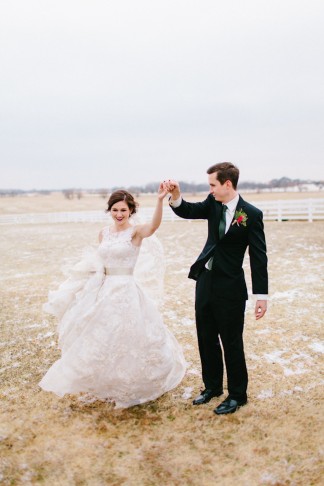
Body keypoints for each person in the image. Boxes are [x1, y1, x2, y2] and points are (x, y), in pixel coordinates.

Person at [39, 186, 186, 408]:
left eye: (124, 210)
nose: (119, 214)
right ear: (110, 210)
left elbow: (154, 226)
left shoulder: (135, 233)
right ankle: (106, 382)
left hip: (126, 291)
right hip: (104, 290)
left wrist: (159, 201)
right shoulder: (103, 233)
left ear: (131, 211)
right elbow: (101, 260)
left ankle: (131, 383)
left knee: (128, 337)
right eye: (115, 209)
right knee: (103, 336)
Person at [164, 162, 268, 415]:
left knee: (231, 342)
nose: (210, 190)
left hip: (231, 287)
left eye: (213, 184)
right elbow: (187, 210)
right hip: (205, 281)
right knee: (206, 338)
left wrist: (261, 296)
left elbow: (258, 257)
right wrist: (176, 195)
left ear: (227, 184)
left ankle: (237, 395)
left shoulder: (251, 214)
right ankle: (212, 387)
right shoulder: (212, 204)